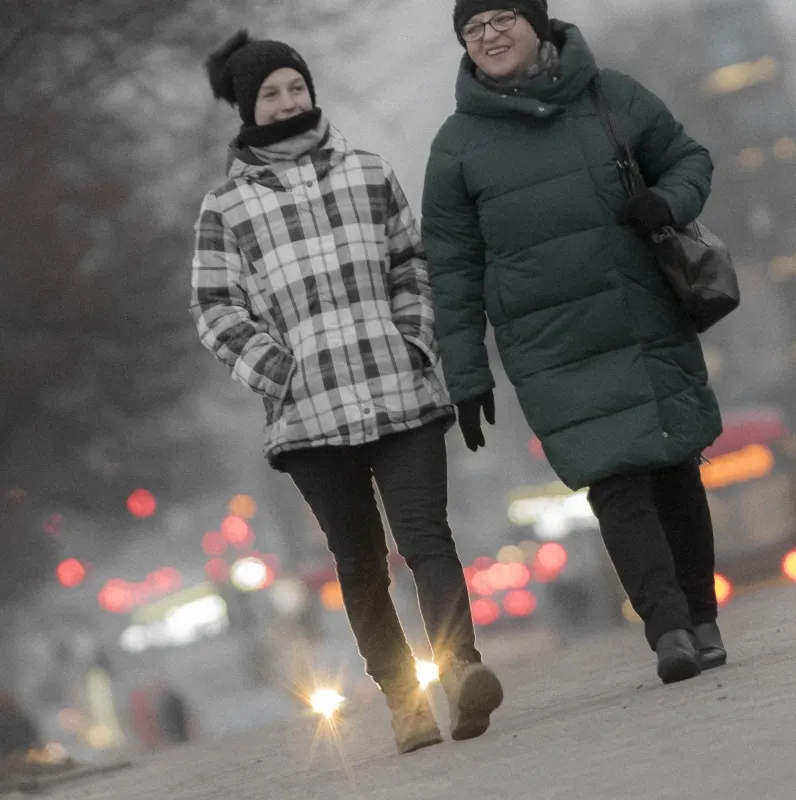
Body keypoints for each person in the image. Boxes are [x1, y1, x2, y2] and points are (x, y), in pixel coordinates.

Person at [190, 31, 502, 753]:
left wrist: (414, 339)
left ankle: (460, 669)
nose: (288, 100)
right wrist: (280, 372)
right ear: (247, 107)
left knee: (428, 537)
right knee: (359, 562)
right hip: (309, 416)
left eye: (295, 86)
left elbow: (411, 264)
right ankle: (404, 700)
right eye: (270, 93)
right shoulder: (226, 208)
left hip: (400, 394)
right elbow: (215, 309)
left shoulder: (367, 171)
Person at [423, 1, 727, 685]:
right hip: (553, 348)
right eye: (474, 29)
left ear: (538, 24)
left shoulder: (610, 95)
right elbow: (451, 268)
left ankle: (701, 616)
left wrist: (667, 203)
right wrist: (466, 373)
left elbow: (689, 160)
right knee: (614, 480)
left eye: (502, 18)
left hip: (643, 315)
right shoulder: (456, 147)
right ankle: (669, 629)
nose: (490, 36)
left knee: (675, 469)